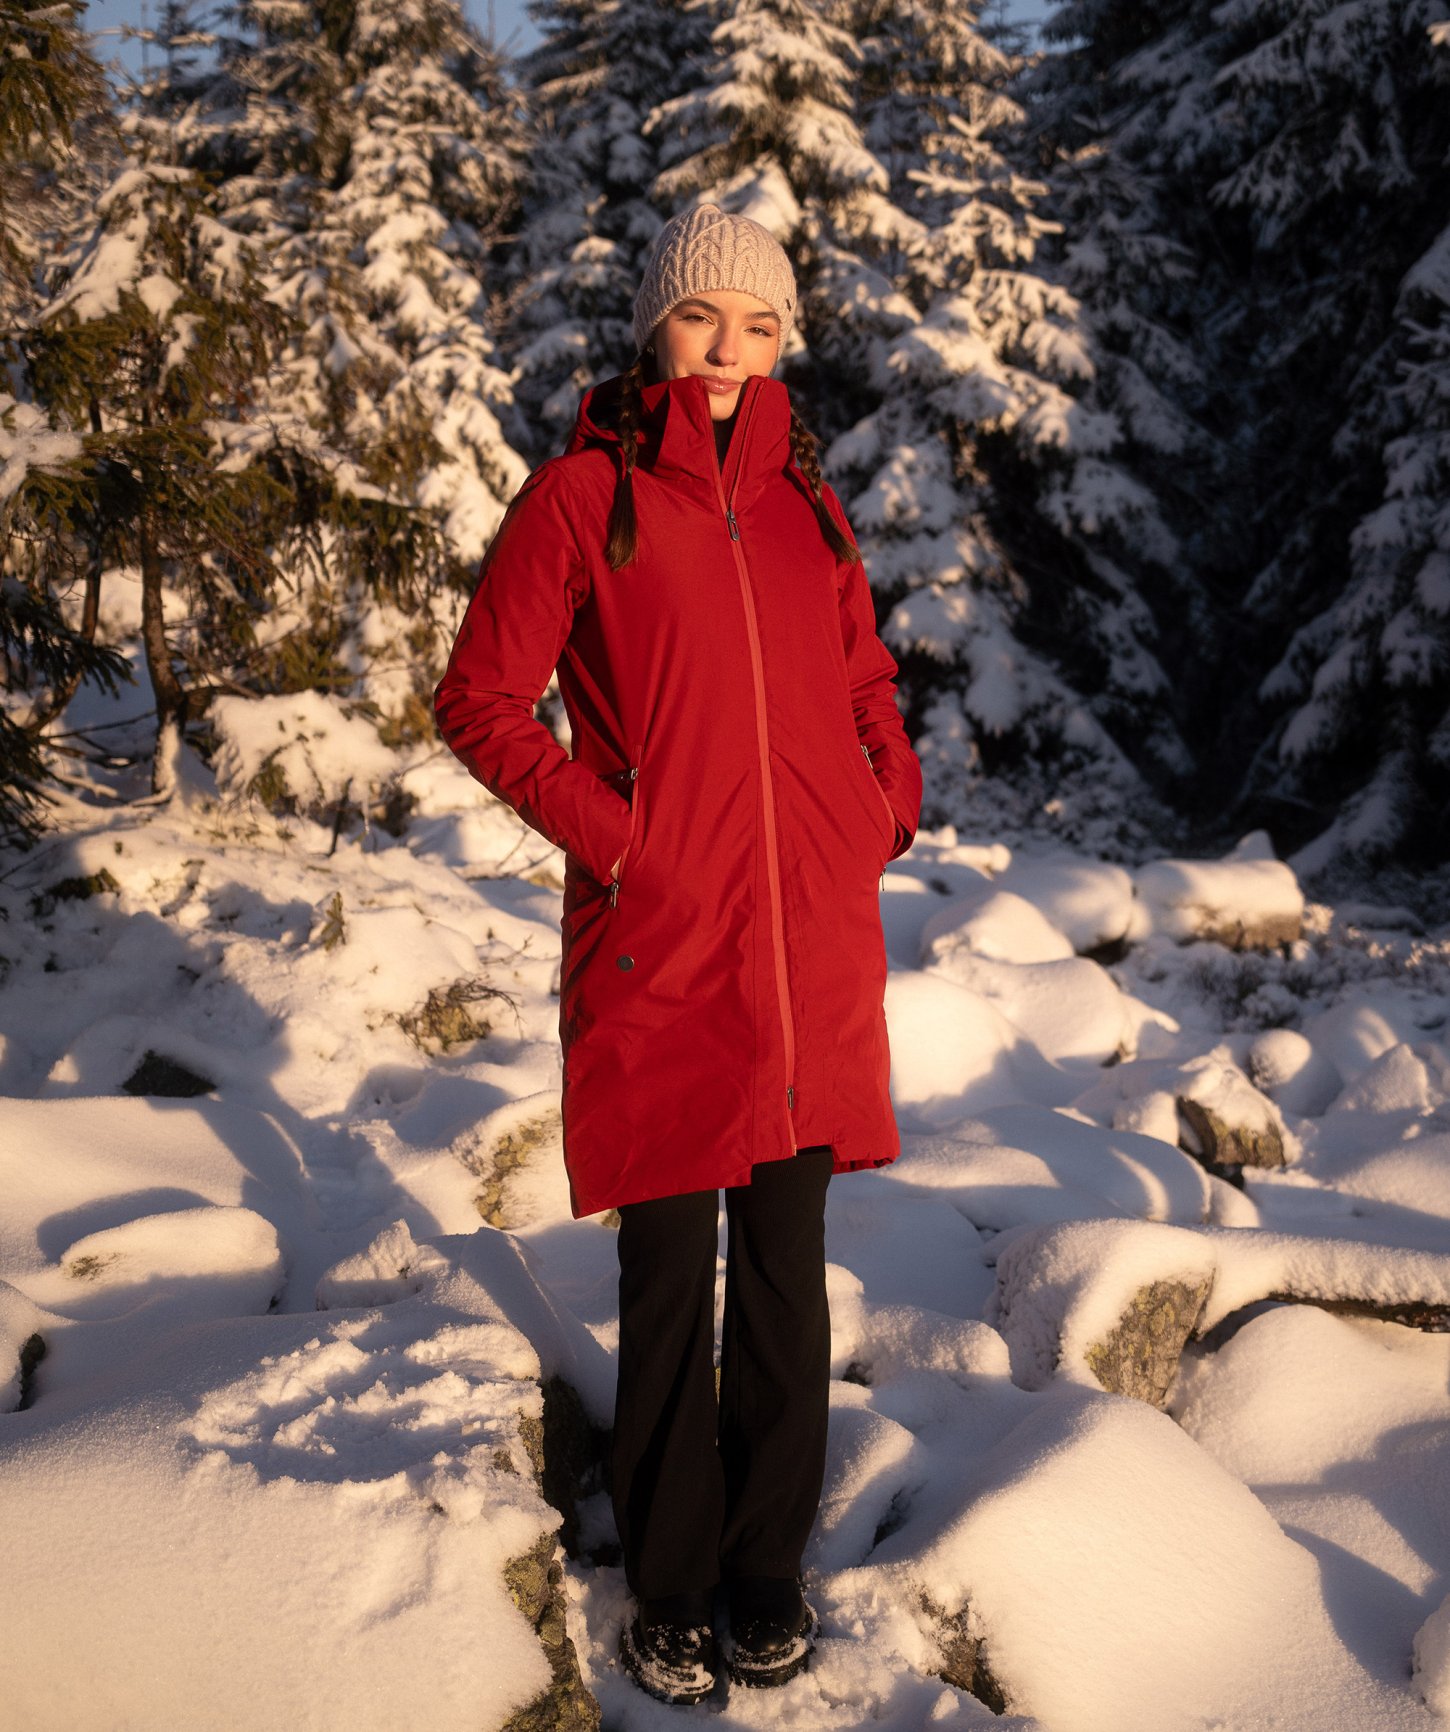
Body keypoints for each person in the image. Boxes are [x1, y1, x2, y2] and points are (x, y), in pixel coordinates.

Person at [435, 204, 922, 1706]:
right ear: (656, 324)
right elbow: (480, 701)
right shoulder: (583, 496)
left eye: (759, 325)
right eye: (703, 316)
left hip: (807, 943)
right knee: (666, 1282)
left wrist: (883, 805)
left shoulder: (805, 504)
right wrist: (625, 839)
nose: (728, 349)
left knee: (786, 1278)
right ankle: (669, 1580)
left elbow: (863, 675)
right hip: (661, 941)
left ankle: (766, 1570)